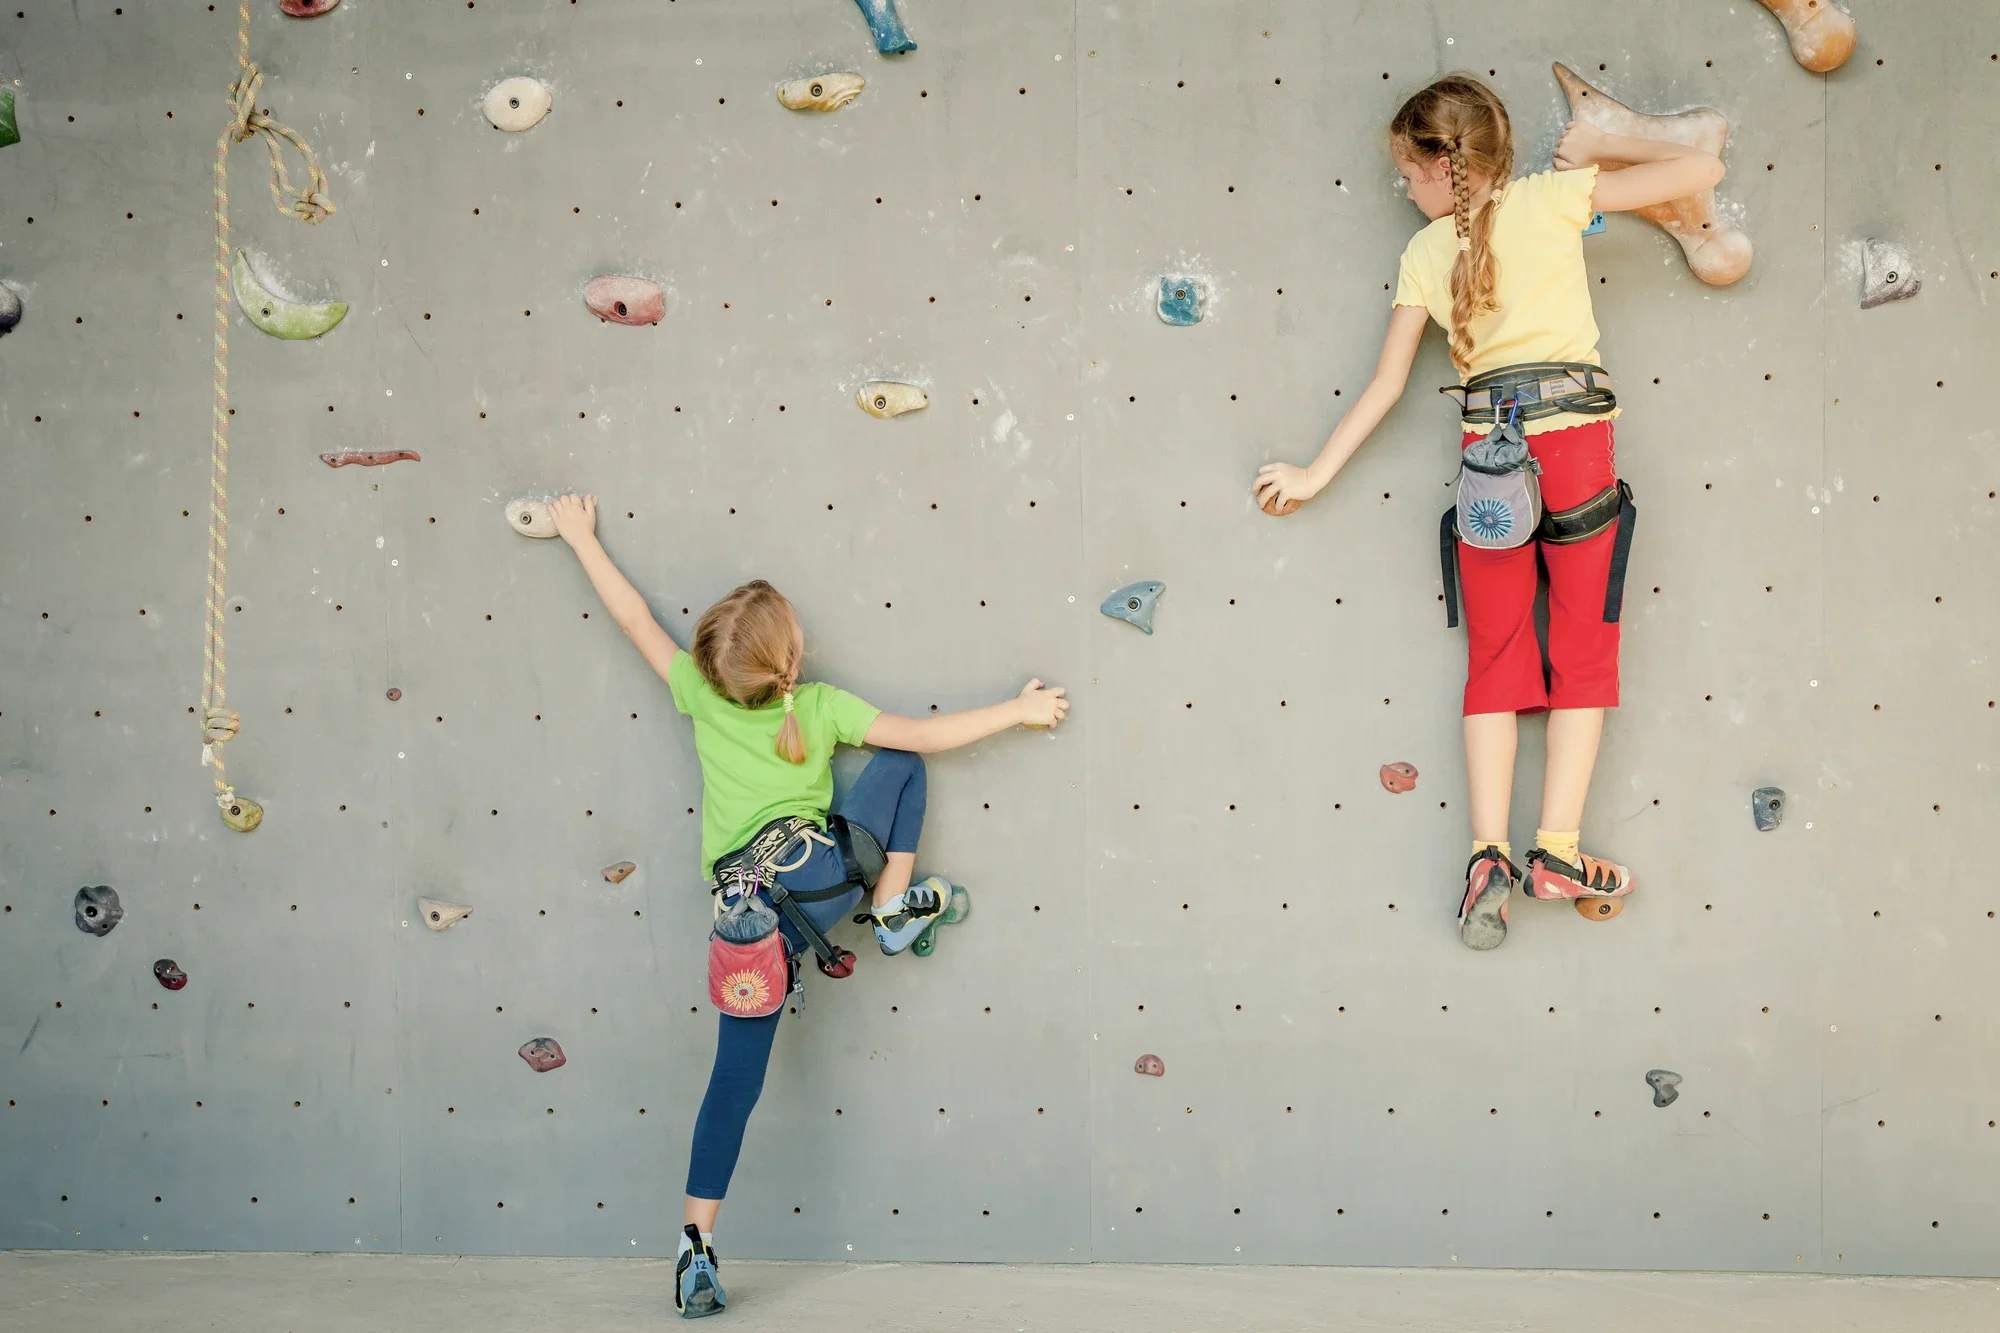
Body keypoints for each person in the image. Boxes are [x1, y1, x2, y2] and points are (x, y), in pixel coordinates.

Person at [545, 493, 1069, 1317]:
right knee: (900, 762)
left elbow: (634, 620)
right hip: (827, 888)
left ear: (718, 670)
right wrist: (1020, 708)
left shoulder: (698, 693)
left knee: (731, 1084)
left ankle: (695, 1244)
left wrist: (578, 537)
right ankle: (893, 912)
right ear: (793, 658)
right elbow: (924, 737)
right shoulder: (820, 708)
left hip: (751, 931)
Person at [1251, 75, 1724, 950]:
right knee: (1584, 649)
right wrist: (1604, 147)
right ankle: (1557, 851)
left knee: (1498, 656)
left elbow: (1389, 383)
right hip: (1576, 450)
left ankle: (1486, 858)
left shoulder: (1427, 255)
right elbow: (1703, 159)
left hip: (1488, 466)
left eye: (1406, 170)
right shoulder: (1555, 201)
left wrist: (1315, 474)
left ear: (1440, 165)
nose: (1403, 188)